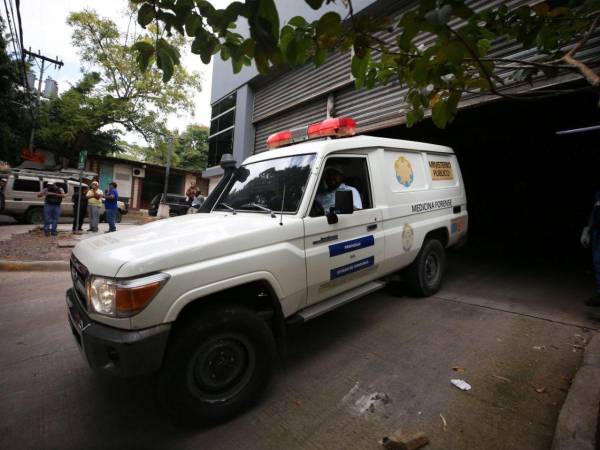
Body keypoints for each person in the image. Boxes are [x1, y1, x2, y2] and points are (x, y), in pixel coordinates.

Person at [583, 191, 600, 306]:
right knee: (598, 262)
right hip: (597, 231)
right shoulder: (598, 194)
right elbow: (595, 211)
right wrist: (587, 229)